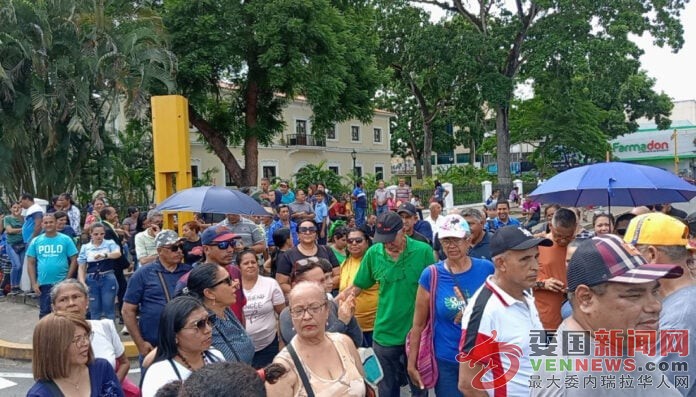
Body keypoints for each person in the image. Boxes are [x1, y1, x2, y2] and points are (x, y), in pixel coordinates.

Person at [531, 234, 684, 397]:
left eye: (654, 291)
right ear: (586, 298)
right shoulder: (571, 381)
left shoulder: (616, 342)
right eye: (634, 295)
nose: (656, 306)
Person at [340, 211, 435, 397]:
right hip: (385, 334)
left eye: (391, 238)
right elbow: (358, 286)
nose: (388, 244)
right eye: (383, 240)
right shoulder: (374, 253)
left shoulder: (423, 251)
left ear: (403, 230)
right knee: (386, 389)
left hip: (416, 334)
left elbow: (434, 290)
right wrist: (334, 304)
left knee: (419, 387)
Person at [458, 226, 552, 396]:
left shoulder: (526, 292)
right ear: (501, 263)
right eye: (524, 259)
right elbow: (468, 383)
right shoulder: (485, 310)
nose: (535, 266)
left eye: (536, 257)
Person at [408, 215, 495, 396]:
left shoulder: (486, 269)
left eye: (456, 239)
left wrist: (470, 312)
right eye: (446, 240)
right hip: (446, 360)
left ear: (468, 240)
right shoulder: (431, 275)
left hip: (481, 358)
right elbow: (418, 324)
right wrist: (412, 362)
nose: (451, 245)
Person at [624, 212, 696, 396]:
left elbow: (652, 390)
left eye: (629, 253)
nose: (624, 264)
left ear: (651, 254)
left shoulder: (679, 318)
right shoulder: (677, 302)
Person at [267, 281, 367, 397]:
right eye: (298, 311)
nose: (307, 316)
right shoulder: (284, 366)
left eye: (314, 308)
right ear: (291, 316)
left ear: (327, 311)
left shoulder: (345, 343)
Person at [122, 230, 193, 358]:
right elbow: (127, 311)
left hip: (186, 344)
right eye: (174, 248)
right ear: (160, 251)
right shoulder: (142, 274)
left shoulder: (189, 272)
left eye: (181, 247)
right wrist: (140, 343)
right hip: (154, 345)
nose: (179, 251)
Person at [50, 280, 133, 389]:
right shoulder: (51, 337)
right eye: (63, 299)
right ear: (54, 307)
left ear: (87, 301)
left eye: (76, 297)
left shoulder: (105, 327)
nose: (71, 303)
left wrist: (111, 387)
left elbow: (124, 363)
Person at [141, 296, 225, 397]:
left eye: (208, 321)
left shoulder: (216, 356)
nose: (208, 329)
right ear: (174, 335)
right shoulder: (159, 374)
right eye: (199, 324)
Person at [27, 312, 124, 397]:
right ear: (54, 347)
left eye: (86, 336)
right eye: (77, 339)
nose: (86, 343)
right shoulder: (39, 394)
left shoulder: (102, 369)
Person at [278, 257, 363, 347]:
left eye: (323, 280)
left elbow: (356, 341)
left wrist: (350, 317)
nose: (326, 284)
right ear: (298, 285)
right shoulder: (288, 315)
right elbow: (309, 347)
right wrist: (342, 323)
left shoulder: (331, 305)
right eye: (318, 282)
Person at [183, 262, 255, 364]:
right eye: (227, 281)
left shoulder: (225, 309)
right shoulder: (200, 325)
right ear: (209, 293)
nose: (235, 284)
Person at [238, 249, 285, 368]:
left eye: (253, 262)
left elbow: (283, 314)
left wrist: (282, 341)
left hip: (269, 346)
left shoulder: (270, 284)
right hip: (241, 349)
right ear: (239, 267)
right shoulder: (233, 287)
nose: (250, 266)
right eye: (246, 263)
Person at [27, 213, 79, 318]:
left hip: (61, 283)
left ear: (56, 223)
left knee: (64, 312)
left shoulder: (66, 239)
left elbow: (74, 259)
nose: (48, 224)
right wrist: (33, 283)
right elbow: (30, 262)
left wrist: (68, 279)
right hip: (43, 283)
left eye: (51, 222)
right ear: (42, 224)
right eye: (46, 222)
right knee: (45, 313)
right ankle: (46, 334)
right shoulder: (36, 241)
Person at [534, 207, 577, 330]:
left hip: (572, 318)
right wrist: (543, 284)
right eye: (558, 235)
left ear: (575, 229)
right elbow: (521, 281)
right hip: (545, 319)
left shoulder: (577, 248)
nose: (563, 240)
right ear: (550, 226)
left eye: (568, 236)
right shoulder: (538, 246)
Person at [275, 219, 340, 295]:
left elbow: (338, 275)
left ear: (316, 233)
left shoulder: (327, 250)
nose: (308, 232)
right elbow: (281, 283)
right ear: (298, 234)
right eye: (303, 230)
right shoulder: (288, 255)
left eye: (312, 229)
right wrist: (304, 291)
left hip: (325, 297)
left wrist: (323, 288)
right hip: (300, 299)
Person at [339, 227, 378, 347]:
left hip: (373, 326)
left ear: (367, 242)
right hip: (351, 325)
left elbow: (354, 288)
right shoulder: (345, 263)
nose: (354, 243)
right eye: (350, 241)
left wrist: (330, 304)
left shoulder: (373, 261)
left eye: (358, 240)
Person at [77, 223, 122, 320]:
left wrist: (105, 255)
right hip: (92, 278)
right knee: (94, 309)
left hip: (107, 276)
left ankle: (110, 332)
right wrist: (82, 281)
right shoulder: (85, 247)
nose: (99, 236)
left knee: (108, 308)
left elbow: (117, 253)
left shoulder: (109, 243)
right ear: (91, 234)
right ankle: (96, 332)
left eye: (102, 234)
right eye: (96, 234)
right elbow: (81, 266)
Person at [4, 202, 25, 295]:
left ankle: (17, 286)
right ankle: (13, 286)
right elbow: (9, 230)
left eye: (19, 207)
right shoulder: (7, 218)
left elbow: (27, 228)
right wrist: (21, 230)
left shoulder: (23, 218)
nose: (16, 209)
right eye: (14, 207)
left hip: (22, 244)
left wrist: (15, 230)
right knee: (17, 265)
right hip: (11, 244)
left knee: (21, 266)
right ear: (10, 209)